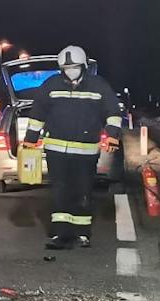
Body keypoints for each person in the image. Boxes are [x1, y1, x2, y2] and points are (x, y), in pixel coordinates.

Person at [21, 45, 122, 250]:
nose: (70, 70)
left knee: (83, 191)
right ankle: (61, 233)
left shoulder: (98, 85)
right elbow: (37, 114)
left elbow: (112, 111)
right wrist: (30, 139)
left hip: (86, 152)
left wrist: (112, 136)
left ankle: (82, 234)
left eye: (74, 67)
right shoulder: (51, 85)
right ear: (61, 68)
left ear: (83, 66)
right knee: (60, 191)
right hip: (56, 151)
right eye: (66, 67)